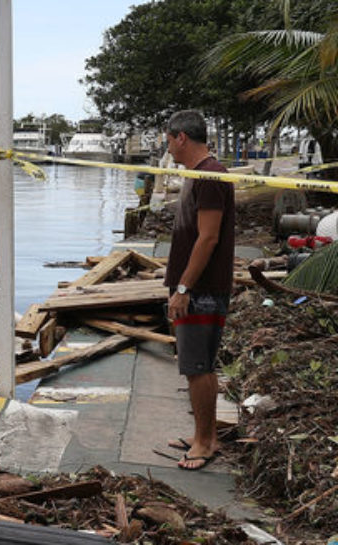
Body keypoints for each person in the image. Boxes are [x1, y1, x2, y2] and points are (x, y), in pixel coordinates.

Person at [162, 110, 235, 471]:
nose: (168, 148)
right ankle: (201, 434)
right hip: (196, 287)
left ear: (181, 138)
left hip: (201, 290)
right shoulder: (201, 173)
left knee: (198, 367)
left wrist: (183, 287)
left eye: (169, 140)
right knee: (196, 366)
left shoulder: (209, 176)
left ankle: (206, 443)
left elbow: (208, 238)